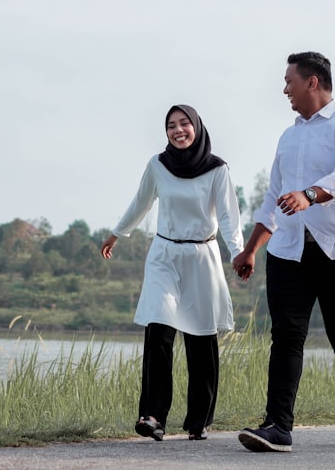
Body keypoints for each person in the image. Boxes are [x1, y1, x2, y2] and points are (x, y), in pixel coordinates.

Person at [232, 51, 335, 453]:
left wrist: (309, 195)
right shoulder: (289, 136)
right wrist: (250, 250)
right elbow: (272, 200)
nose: (284, 90)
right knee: (286, 336)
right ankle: (278, 425)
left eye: (289, 81)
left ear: (312, 82)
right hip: (289, 253)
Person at [101, 104, 243, 442]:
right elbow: (141, 202)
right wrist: (117, 233)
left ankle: (199, 420)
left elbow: (228, 216)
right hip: (164, 254)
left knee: (201, 339)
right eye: (171, 126)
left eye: (184, 124)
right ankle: (152, 416)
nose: (178, 131)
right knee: (159, 331)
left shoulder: (217, 169)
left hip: (201, 256)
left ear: (196, 127)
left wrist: (238, 252)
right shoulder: (158, 165)